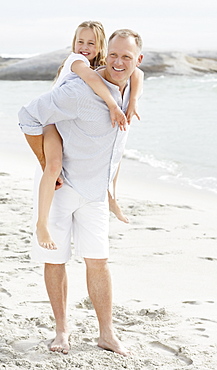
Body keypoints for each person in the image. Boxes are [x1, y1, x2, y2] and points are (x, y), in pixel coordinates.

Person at [18, 28, 143, 356]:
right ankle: (62, 330)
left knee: (99, 261)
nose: (118, 62)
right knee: (55, 260)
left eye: (126, 57)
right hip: (61, 189)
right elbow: (28, 115)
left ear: (137, 60)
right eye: (113, 55)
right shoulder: (77, 91)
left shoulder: (131, 87)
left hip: (95, 194)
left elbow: (137, 78)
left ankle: (107, 333)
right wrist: (48, 164)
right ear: (106, 54)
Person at [37, 21, 144, 250]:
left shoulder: (108, 64)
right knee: (54, 165)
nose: (84, 47)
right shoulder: (76, 61)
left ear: (101, 46)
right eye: (80, 41)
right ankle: (42, 223)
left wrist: (132, 101)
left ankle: (112, 199)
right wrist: (114, 105)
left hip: (68, 120)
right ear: (73, 43)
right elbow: (93, 80)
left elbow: (139, 73)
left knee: (115, 151)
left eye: (91, 43)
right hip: (53, 122)